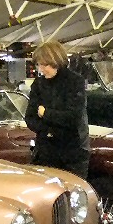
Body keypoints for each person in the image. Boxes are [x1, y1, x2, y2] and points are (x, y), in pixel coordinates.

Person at [24, 41, 90, 178]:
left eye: (44, 64)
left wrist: (45, 113)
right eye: (38, 64)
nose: (41, 69)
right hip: (45, 152)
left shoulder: (75, 82)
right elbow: (30, 118)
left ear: (56, 61)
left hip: (72, 153)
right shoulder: (38, 84)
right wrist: (49, 131)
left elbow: (73, 117)